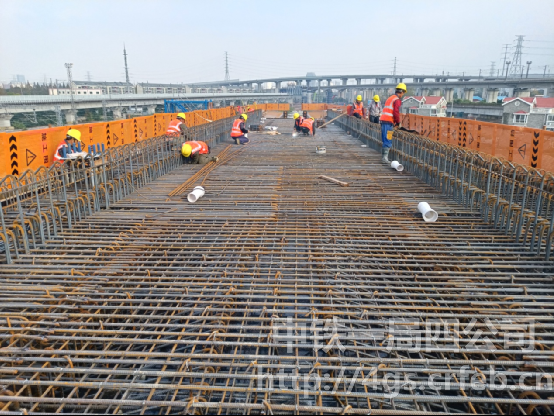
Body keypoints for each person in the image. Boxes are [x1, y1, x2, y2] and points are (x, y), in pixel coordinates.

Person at [379, 83, 406, 163]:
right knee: (388, 138)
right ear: (401, 92)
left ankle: (384, 157)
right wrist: (398, 122)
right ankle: (384, 158)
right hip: (388, 122)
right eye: (403, 93)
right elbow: (396, 112)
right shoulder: (397, 100)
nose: (402, 95)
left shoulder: (390, 98)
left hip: (384, 121)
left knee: (385, 138)